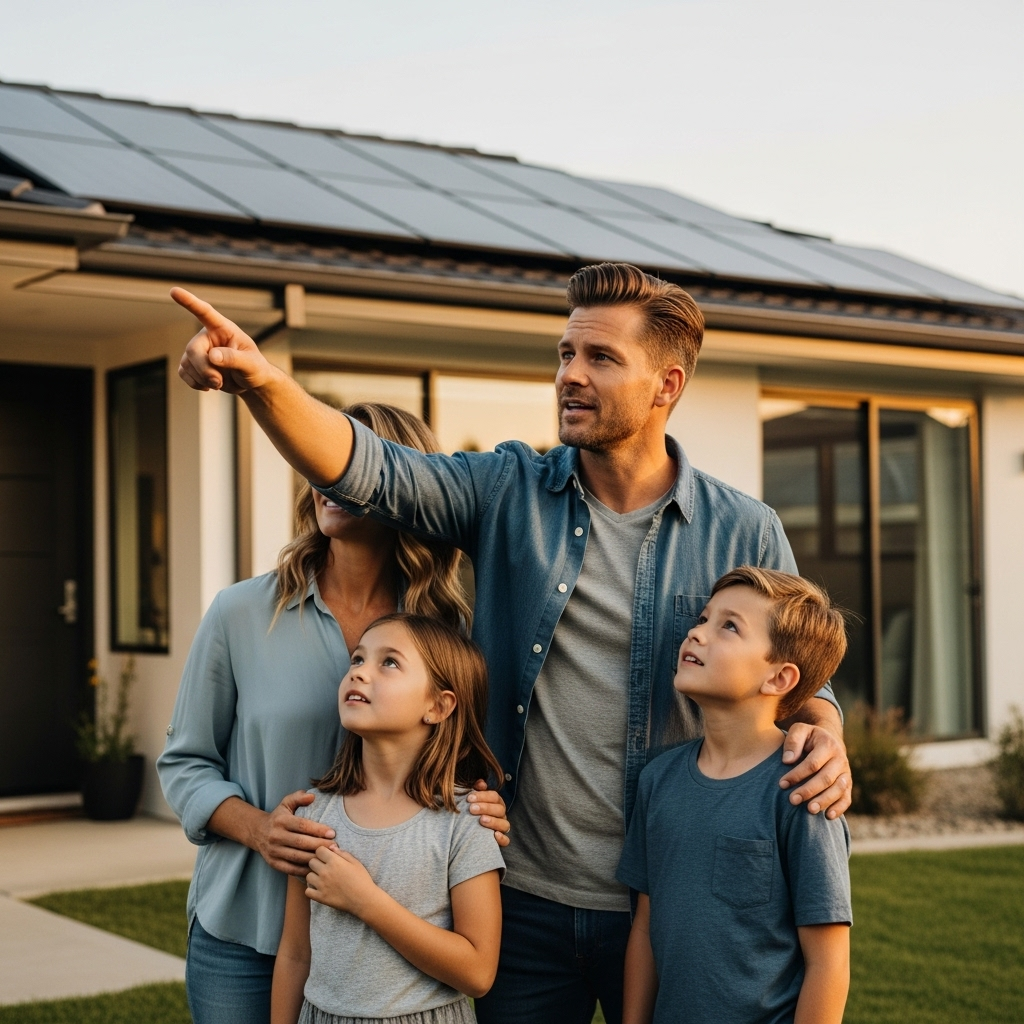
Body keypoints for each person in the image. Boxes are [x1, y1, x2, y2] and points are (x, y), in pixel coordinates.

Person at [171, 262, 854, 1024]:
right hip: (521, 899)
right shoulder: (507, 490)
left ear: (667, 384)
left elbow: (799, 674)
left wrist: (825, 732)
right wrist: (262, 382)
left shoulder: (745, 529)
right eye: (566, 353)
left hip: (661, 902)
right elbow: (371, 469)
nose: (571, 374)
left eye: (601, 358)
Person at [157, 404, 510, 1024]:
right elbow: (184, 763)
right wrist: (259, 829)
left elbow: (457, 759)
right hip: (245, 931)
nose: (327, 479)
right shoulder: (241, 612)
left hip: (387, 947)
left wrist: (486, 805)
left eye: (346, 464)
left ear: (403, 488)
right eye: (319, 464)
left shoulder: (445, 631)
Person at [618, 567, 852, 1024]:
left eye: (728, 626)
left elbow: (828, 963)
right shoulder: (657, 781)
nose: (696, 633)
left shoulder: (802, 791)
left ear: (779, 679)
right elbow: (645, 928)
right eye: (703, 618)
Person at [271, 613, 506, 1024]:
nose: (359, 673)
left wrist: (365, 901)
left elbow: (478, 972)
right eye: (358, 659)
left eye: (389, 662)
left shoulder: (465, 821)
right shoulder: (313, 814)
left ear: (438, 706)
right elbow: (295, 954)